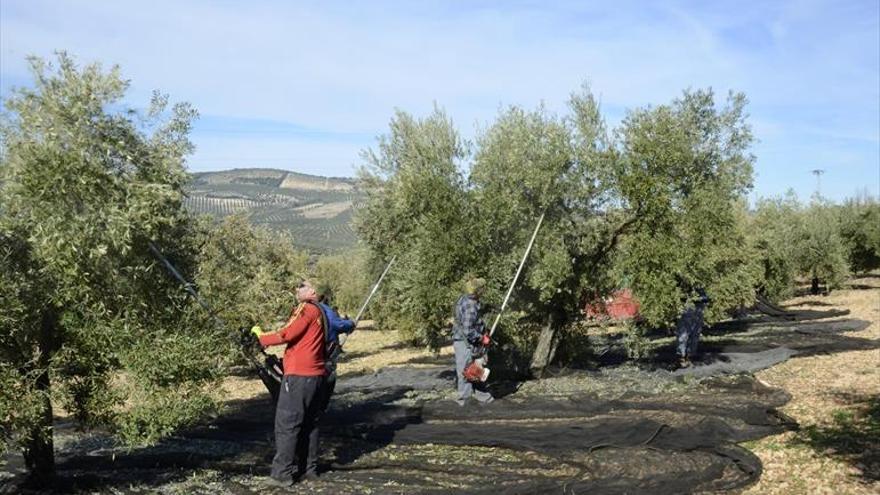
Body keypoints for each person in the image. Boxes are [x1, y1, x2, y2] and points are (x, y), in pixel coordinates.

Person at [252, 279, 327, 486]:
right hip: (316, 375)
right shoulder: (322, 311)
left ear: (312, 290)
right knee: (310, 424)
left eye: (302, 286)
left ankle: (282, 474)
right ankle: (308, 470)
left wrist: (260, 337)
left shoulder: (306, 309)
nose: (296, 289)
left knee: (287, 422)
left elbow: (287, 332)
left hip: (299, 377)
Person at [313, 283, 355, 413]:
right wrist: (350, 324)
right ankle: (320, 410)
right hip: (325, 354)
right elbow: (338, 325)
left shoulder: (302, 309)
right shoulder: (324, 309)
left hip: (310, 354)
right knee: (327, 379)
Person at [451, 277, 494, 406]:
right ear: (478, 291)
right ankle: (465, 400)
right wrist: (481, 338)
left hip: (468, 342)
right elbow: (468, 329)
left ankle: (482, 396)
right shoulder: (471, 305)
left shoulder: (464, 299)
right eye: (482, 289)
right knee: (466, 371)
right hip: (465, 342)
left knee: (477, 368)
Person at [676, 288, 710, 368]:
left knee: (694, 336)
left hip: (697, 312)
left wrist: (698, 299)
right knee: (682, 336)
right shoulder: (683, 285)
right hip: (686, 311)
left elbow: (706, 298)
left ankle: (689, 357)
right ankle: (681, 357)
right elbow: (677, 296)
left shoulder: (701, 287)